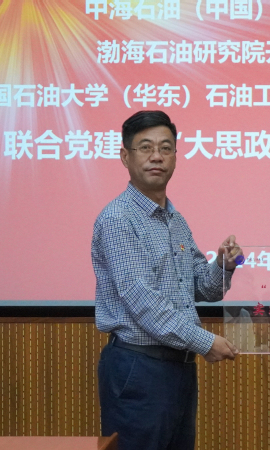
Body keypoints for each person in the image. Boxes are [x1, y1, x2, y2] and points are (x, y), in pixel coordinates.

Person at [92, 110, 242, 450]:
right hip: (139, 367)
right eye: (145, 147)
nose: (157, 156)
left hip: (178, 368)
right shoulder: (118, 219)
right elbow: (142, 300)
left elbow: (202, 287)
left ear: (175, 156)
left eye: (165, 147)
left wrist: (224, 264)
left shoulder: (175, 220)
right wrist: (205, 342)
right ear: (125, 156)